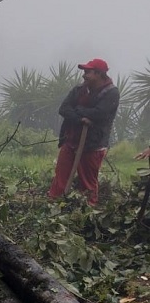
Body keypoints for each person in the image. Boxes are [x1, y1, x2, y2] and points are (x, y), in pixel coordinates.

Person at [47, 58, 119, 206]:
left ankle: (87, 211)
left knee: (87, 182)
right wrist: (81, 118)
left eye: (88, 72)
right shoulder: (79, 89)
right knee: (60, 177)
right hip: (70, 139)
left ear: (99, 74)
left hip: (93, 144)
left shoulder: (111, 93)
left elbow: (100, 113)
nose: (84, 75)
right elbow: (64, 109)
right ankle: (54, 205)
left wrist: (79, 110)